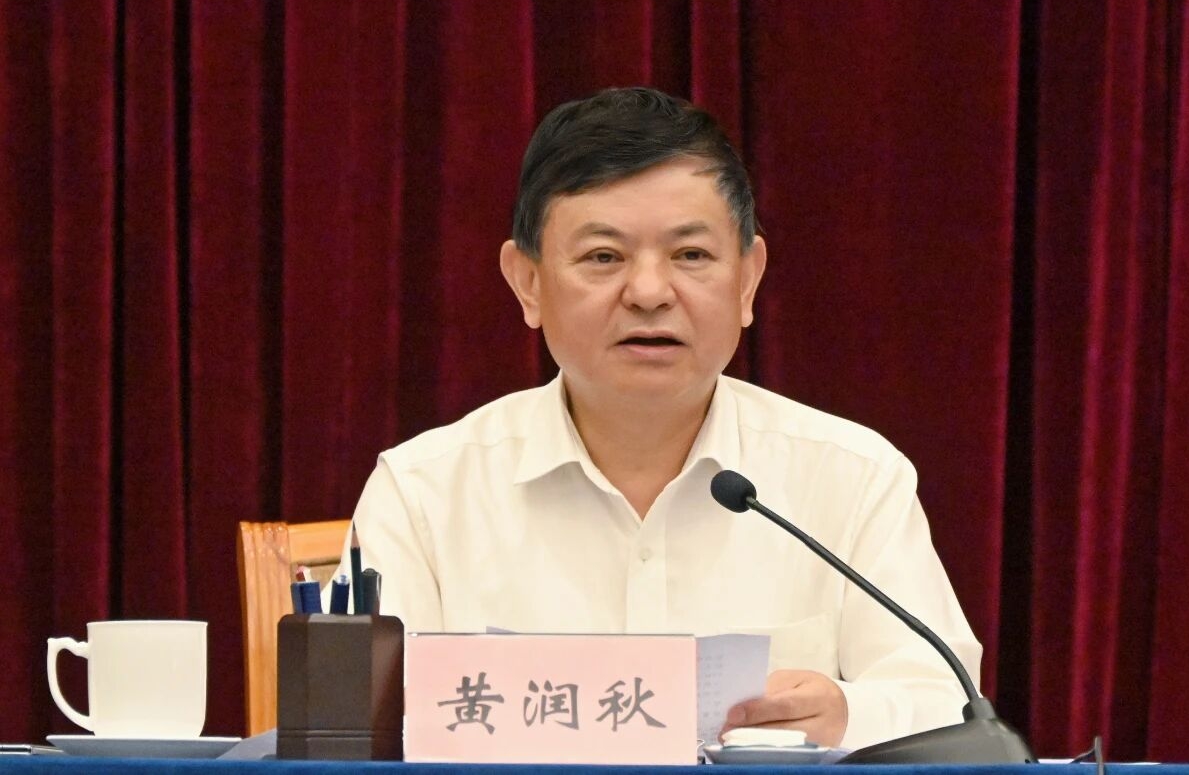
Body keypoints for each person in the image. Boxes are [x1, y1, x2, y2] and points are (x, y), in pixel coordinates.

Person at [343, 86, 981, 751]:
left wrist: (847, 714)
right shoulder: (423, 494)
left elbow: (949, 705)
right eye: (603, 257)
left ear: (748, 279)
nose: (649, 292)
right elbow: (356, 736)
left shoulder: (852, 478)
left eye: (691, 255)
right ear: (527, 282)